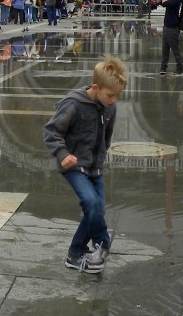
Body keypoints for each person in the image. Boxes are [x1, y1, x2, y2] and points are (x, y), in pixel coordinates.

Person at [43, 57, 127, 274]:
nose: (114, 100)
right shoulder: (74, 104)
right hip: (73, 164)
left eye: (117, 96)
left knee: (96, 209)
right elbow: (51, 131)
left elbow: (106, 138)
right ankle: (103, 244)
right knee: (90, 201)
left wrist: (100, 158)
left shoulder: (110, 108)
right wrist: (63, 154)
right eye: (110, 95)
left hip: (94, 166)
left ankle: (75, 253)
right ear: (96, 87)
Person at [158, 0, 183, 75]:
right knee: (165, 49)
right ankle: (163, 68)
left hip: (173, 28)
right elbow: (160, 2)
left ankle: (179, 68)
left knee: (175, 49)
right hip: (166, 27)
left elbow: (164, 3)